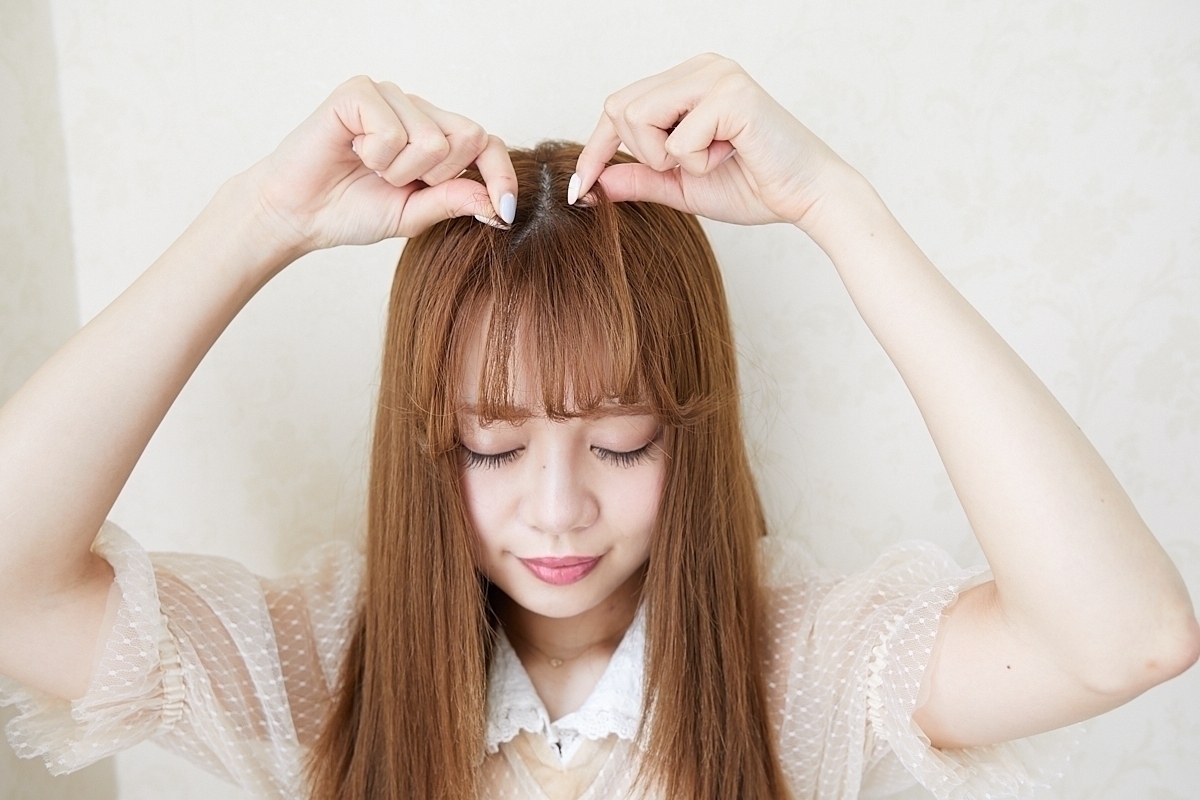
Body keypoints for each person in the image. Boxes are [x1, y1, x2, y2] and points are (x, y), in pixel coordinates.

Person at [0, 54, 1196, 800]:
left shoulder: (804, 664)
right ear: (424, 444)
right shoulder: (317, 666)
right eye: (492, 446)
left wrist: (840, 208)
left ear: (695, 433)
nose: (559, 509)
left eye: (622, 443)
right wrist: (259, 218)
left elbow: (1128, 635)